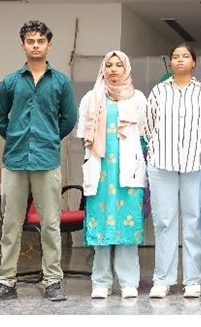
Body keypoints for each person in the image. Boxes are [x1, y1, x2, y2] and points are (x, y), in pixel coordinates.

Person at [0, 20, 77, 303]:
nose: (36, 46)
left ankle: (53, 281)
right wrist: (16, 137)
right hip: (15, 160)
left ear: (49, 45)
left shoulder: (60, 82)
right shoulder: (11, 81)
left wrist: (48, 138)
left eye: (40, 41)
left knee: (50, 224)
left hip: (47, 159)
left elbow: (69, 119)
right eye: (31, 41)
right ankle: (6, 282)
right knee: (11, 224)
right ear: (23, 45)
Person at [144, 43, 201, 299]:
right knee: (164, 222)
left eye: (185, 56)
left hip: (195, 164)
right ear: (170, 62)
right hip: (162, 164)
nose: (180, 60)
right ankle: (163, 279)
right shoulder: (158, 92)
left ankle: (193, 280)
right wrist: (158, 149)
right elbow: (147, 127)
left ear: (194, 62)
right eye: (175, 56)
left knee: (194, 222)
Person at [76, 50, 148, 299]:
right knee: (102, 226)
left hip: (128, 172)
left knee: (127, 227)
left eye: (119, 65)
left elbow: (146, 135)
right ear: (103, 69)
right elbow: (83, 137)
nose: (114, 69)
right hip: (101, 171)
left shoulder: (138, 98)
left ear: (126, 69)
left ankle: (128, 282)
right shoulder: (90, 98)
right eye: (109, 65)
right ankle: (101, 282)